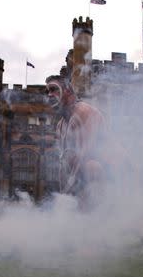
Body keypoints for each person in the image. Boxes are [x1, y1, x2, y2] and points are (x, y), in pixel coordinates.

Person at [45, 75, 107, 205]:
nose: (49, 95)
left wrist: (67, 197)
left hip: (112, 178)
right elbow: (64, 166)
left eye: (53, 89)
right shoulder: (60, 126)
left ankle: (98, 217)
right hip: (79, 180)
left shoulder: (84, 112)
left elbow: (85, 156)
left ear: (67, 90)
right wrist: (63, 200)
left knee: (92, 166)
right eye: (47, 91)